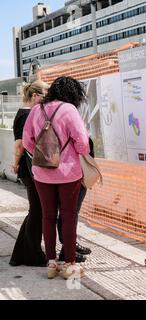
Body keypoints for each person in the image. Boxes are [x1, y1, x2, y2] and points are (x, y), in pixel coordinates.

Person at [23, 77, 90, 280]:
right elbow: (83, 142)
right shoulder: (69, 109)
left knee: (47, 216)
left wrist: (44, 155)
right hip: (69, 173)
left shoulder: (36, 110)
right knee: (68, 216)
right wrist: (71, 154)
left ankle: (51, 262)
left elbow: (27, 142)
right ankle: (69, 263)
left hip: (42, 173)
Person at [9, 80, 49, 267]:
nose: (47, 98)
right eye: (44, 94)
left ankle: (21, 254)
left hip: (28, 168)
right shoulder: (26, 115)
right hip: (29, 169)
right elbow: (20, 144)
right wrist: (15, 163)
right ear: (35, 96)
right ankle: (31, 254)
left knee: (36, 210)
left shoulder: (24, 113)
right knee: (37, 211)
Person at [57, 137, 95, 263]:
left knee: (67, 213)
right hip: (73, 172)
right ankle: (67, 250)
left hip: (62, 171)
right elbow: (84, 145)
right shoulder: (69, 121)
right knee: (70, 214)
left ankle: (69, 245)